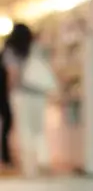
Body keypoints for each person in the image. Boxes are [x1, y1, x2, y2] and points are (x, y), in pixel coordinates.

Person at [1, 23, 56, 178]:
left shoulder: (11, 50)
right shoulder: (35, 48)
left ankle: (29, 167)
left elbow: (13, 74)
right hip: (38, 93)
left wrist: (9, 92)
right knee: (39, 129)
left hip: (21, 93)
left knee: (25, 130)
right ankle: (43, 161)